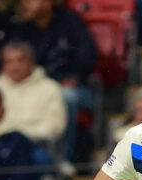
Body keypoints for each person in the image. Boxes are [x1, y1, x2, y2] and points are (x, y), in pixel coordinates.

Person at [14, 0, 97, 161]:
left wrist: (74, 76)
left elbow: (88, 55)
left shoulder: (70, 21)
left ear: (48, 3)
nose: (25, 4)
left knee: (66, 97)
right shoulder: (23, 29)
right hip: (37, 86)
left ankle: (62, 158)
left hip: (74, 87)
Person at [0, 41, 67, 145]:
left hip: (32, 145)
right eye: (9, 61)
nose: (15, 66)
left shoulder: (49, 88)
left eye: (20, 60)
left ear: (31, 62)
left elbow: (55, 127)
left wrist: (18, 136)